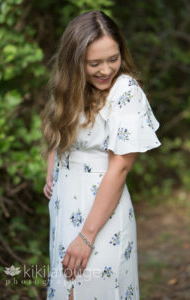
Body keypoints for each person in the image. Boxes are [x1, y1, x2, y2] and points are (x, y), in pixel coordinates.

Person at [41, 10, 161, 300]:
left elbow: (120, 168)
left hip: (100, 213)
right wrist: (52, 168)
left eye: (113, 59)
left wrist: (86, 236)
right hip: (64, 208)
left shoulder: (126, 91)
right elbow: (57, 132)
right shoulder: (72, 89)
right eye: (94, 63)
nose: (106, 70)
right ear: (74, 62)